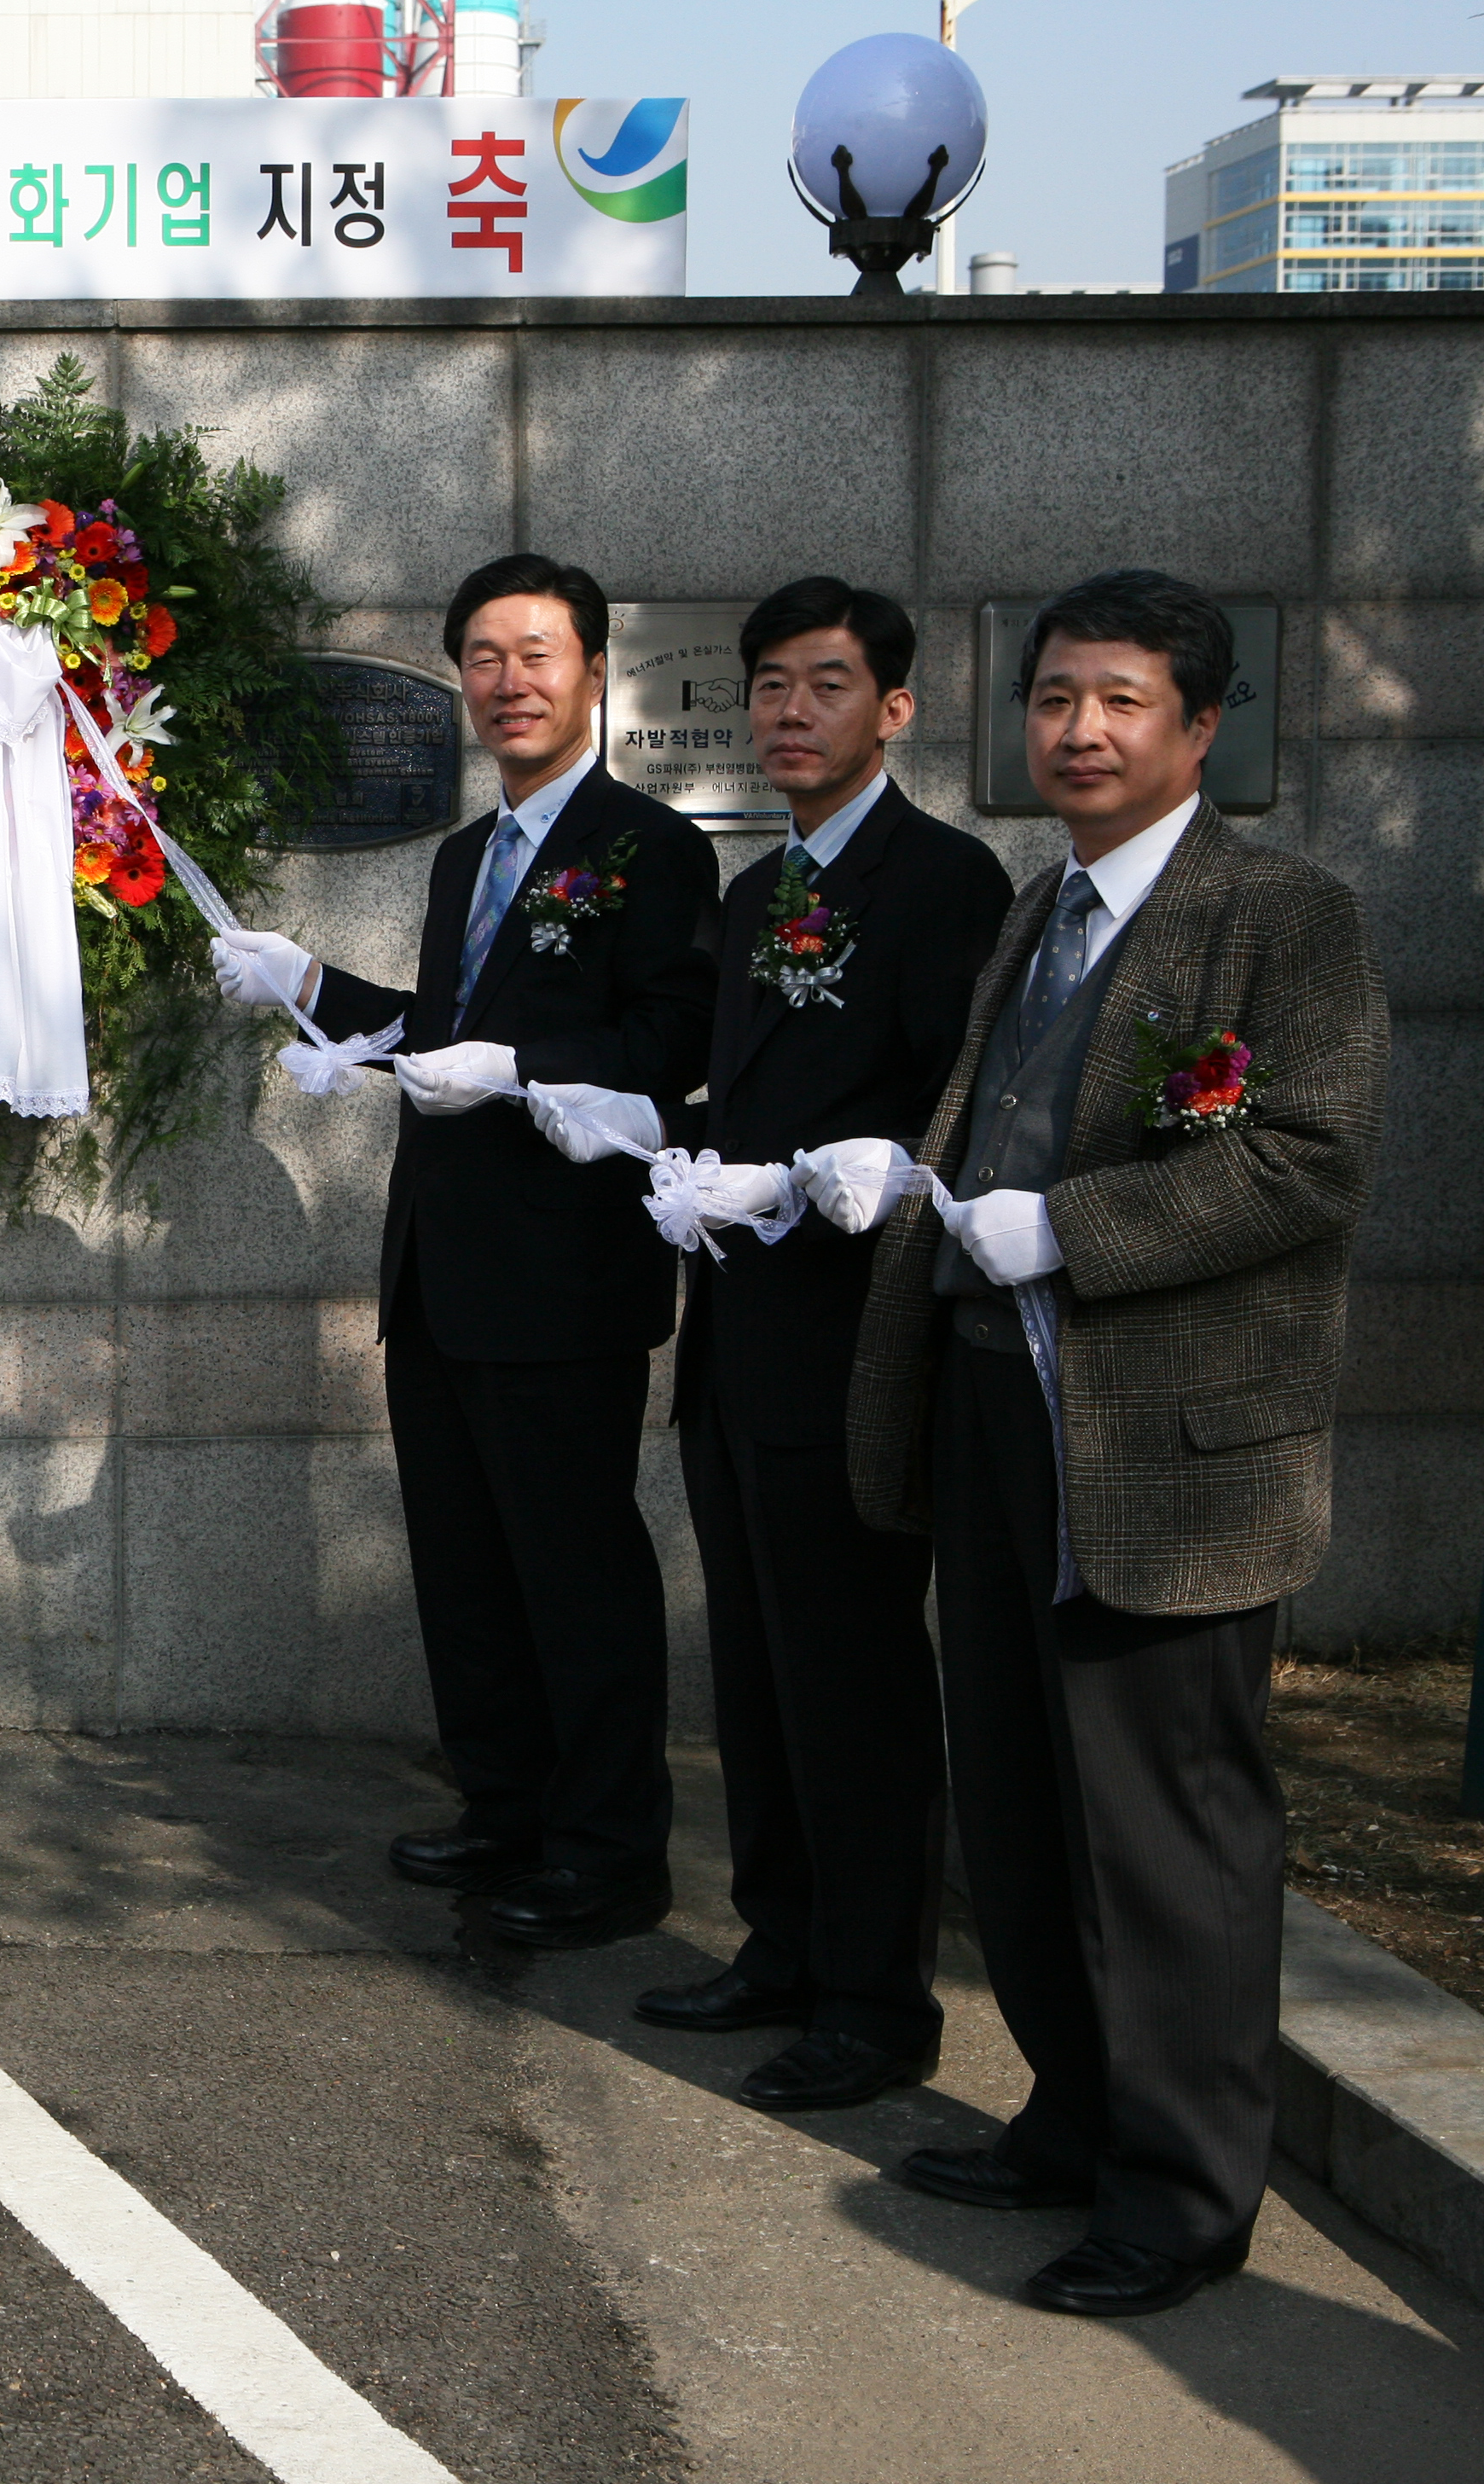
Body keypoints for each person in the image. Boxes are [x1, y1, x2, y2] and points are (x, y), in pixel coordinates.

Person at [849, 569, 1385, 2317]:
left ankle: (1183, 2194)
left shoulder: (1281, 916)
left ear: (1202, 726)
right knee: (1018, 1797)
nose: (1079, 730)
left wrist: (1069, 1229)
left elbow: (1305, 1161)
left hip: (1169, 1449)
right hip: (999, 1409)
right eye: (1056, 698)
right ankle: (1072, 2115)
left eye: (1122, 701)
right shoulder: (1040, 906)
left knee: (1171, 1831)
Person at [216, 553, 716, 1948]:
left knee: (575, 1572)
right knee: (468, 1568)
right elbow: (442, 1038)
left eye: (537, 654)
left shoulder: (648, 849)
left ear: (595, 672)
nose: (510, 682)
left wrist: (522, 1067)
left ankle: (608, 1853)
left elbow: (673, 1043)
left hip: (566, 1280)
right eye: (485, 658)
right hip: (439, 1273)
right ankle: (506, 1806)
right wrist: (312, 984)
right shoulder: (466, 857)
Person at [628, 579, 1012, 2112]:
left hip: (853, 1346)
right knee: (761, 1670)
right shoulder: (753, 893)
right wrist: (678, 1149)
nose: (793, 712)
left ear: (895, 709)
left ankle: (874, 2000)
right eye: (773, 684)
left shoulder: (945, 881)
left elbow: (952, 1112)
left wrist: (812, 1179)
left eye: (829, 685)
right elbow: (755, 1092)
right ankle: (781, 1943)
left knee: (854, 1680)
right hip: (737, 1341)